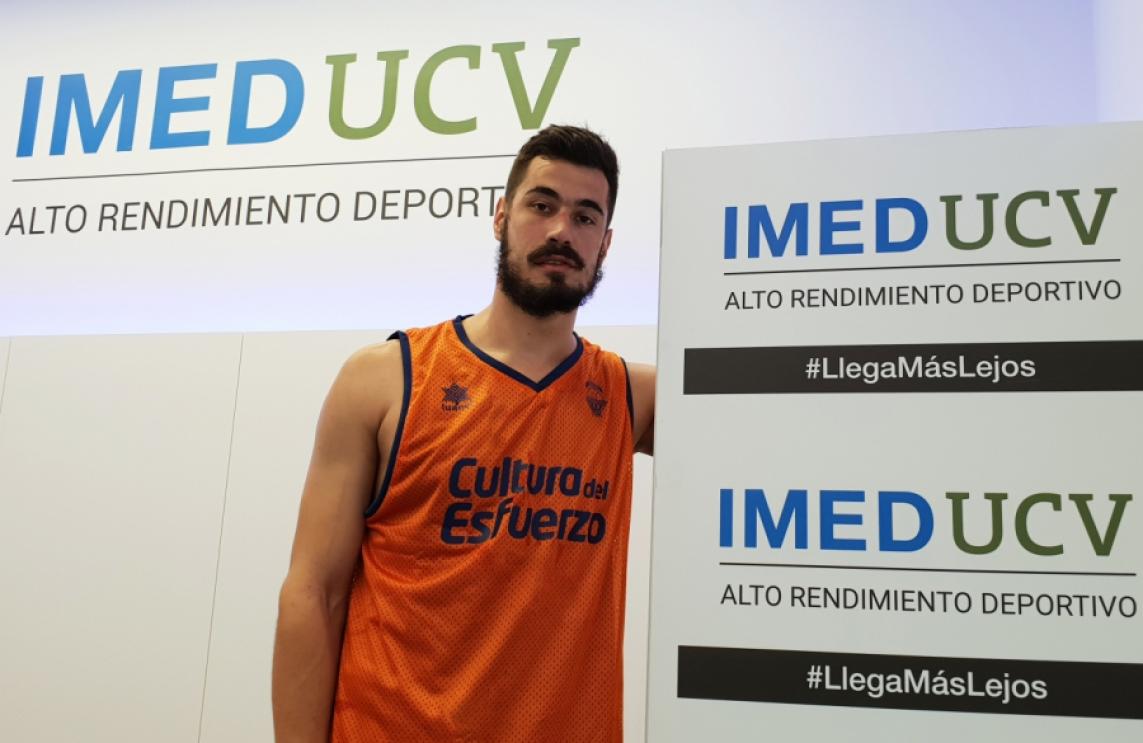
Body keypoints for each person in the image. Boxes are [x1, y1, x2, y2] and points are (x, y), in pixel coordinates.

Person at [272, 124, 655, 743]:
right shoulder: (387, 379)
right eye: (542, 205)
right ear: (501, 216)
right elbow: (314, 592)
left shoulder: (630, 397)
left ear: (605, 244)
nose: (562, 231)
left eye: (586, 217)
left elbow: (776, 412)